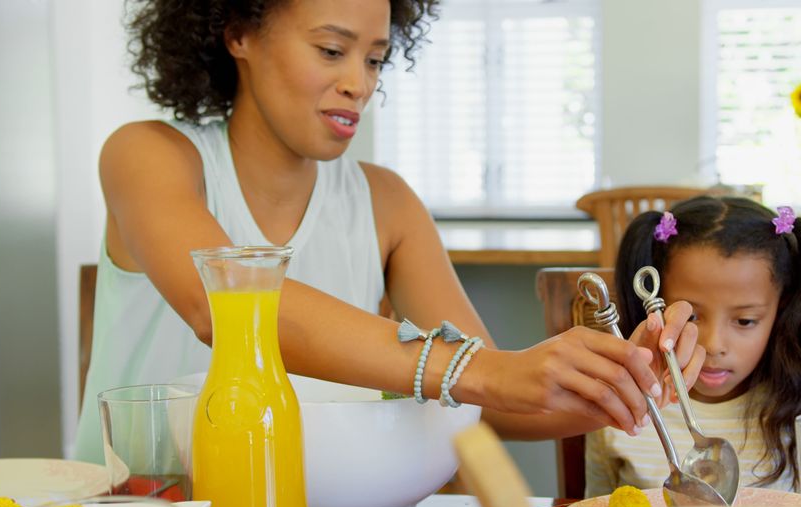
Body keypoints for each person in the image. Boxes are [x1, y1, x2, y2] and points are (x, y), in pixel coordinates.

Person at [74, 0, 702, 463]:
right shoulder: (147, 156)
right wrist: (486, 373)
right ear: (238, 33)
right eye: (330, 50)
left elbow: (493, 397)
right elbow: (226, 307)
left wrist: (631, 378)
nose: (360, 82)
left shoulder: (387, 202)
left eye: (375, 58)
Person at [585, 196, 801, 496]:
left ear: (781, 312)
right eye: (691, 316)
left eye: (745, 321)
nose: (714, 345)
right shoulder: (616, 404)